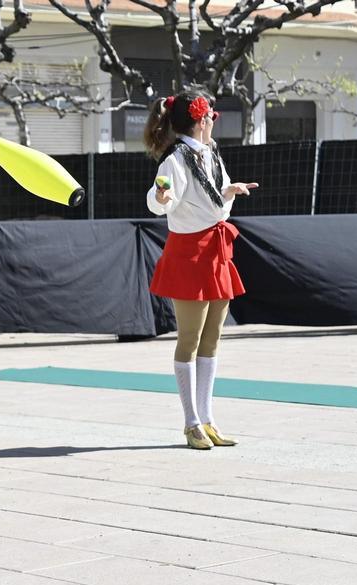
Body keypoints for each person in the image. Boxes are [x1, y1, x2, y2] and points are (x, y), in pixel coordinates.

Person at [144, 90, 258, 450]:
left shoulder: (210, 153)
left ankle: (207, 420)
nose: (212, 121)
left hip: (216, 248)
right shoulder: (174, 160)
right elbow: (162, 198)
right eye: (209, 116)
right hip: (190, 252)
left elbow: (213, 194)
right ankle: (191, 422)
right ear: (199, 120)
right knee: (189, 339)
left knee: (212, 340)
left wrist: (230, 190)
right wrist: (160, 198)